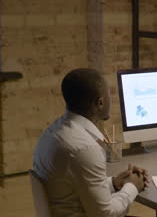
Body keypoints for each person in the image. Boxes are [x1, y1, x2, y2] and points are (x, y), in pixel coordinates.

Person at [33, 68, 149, 217]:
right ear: (100, 103)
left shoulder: (52, 131)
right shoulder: (84, 148)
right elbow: (105, 214)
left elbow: (73, 189)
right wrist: (132, 186)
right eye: (109, 95)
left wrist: (114, 182)